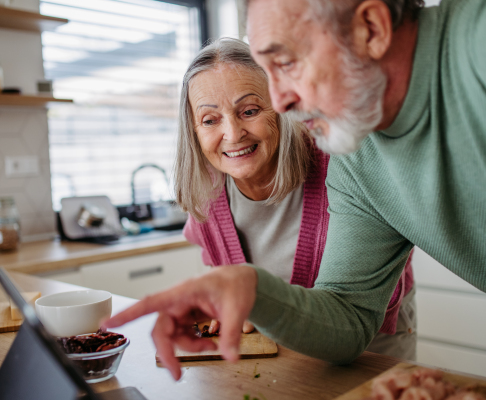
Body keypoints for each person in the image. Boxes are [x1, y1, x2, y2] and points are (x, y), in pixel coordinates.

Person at [104, 0, 486, 381]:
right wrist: (250, 287)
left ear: (371, 28)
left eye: (286, 61)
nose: (279, 101)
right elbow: (349, 316)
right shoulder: (357, 161)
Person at [173, 38, 416, 359]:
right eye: (210, 119)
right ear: (193, 130)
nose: (232, 134)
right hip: (272, 348)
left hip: (369, 345)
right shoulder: (206, 194)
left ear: (280, 106)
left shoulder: (341, 163)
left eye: (249, 111)